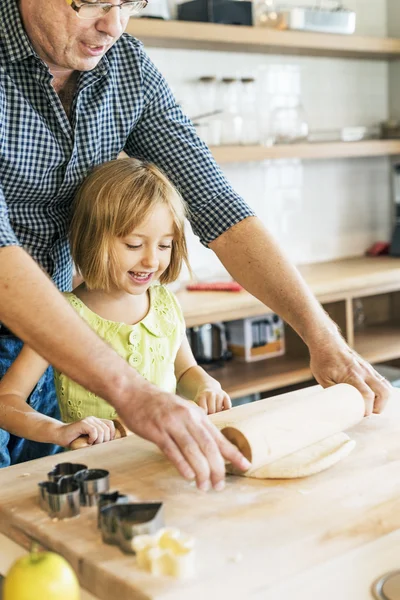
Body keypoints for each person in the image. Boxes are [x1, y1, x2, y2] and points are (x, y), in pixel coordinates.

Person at [0, 0, 391, 490]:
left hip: (62, 346)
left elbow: (217, 204)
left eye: (130, 3)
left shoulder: (126, 68)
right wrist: (132, 391)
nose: (113, 25)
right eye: (94, 1)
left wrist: (323, 337)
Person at [0, 159, 232, 450]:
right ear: (91, 240)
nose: (151, 260)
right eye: (134, 244)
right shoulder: (61, 316)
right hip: (94, 473)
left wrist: (206, 386)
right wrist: (59, 431)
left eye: (164, 245)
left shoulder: (165, 305)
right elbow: (7, 401)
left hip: (157, 460)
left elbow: (185, 372)